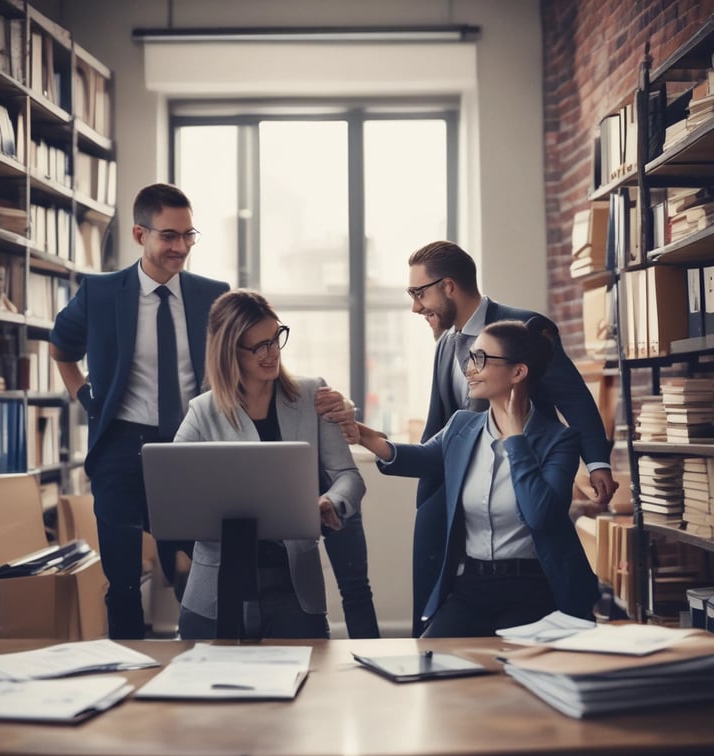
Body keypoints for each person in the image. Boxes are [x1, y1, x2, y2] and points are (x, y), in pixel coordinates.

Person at [317, 239, 617, 635]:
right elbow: (439, 428)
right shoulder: (446, 344)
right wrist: (369, 439)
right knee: (431, 625)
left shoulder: (525, 330)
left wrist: (596, 461)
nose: (415, 307)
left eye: (419, 293)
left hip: (525, 482)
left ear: (449, 286)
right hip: (450, 492)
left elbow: (573, 397)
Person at [50, 182, 230, 639]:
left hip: (190, 444)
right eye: (169, 236)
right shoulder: (100, 293)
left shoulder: (214, 295)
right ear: (139, 234)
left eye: (188, 235)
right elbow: (61, 347)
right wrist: (85, 397)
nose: (181, 247)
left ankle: (206, 657)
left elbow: (237, 362)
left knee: (198, 566)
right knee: (124, 578)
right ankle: (128, 667)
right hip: (121, 446)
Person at [346, 318, 599, 637]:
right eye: (470, 358)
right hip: (471, 585)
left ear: (518, 372)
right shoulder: (461, 426)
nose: (469, 369)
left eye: (480, 359)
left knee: (510, 667)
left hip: (534, 588)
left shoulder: (559, 440)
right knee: (429, 656)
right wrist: (363, 435)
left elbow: (540, 515)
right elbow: (424, 458)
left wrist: (516, 440)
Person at [175, 289, 369, 640]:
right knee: (205, 674)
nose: (272, 352)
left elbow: (349, 477)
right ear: (230, 351)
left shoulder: (312, 395)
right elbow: (173, 485)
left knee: (308, 673)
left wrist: (331, 500)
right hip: (217, 584)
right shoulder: (203, 411)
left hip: (293, 585)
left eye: (276, 338)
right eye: (259, 346)